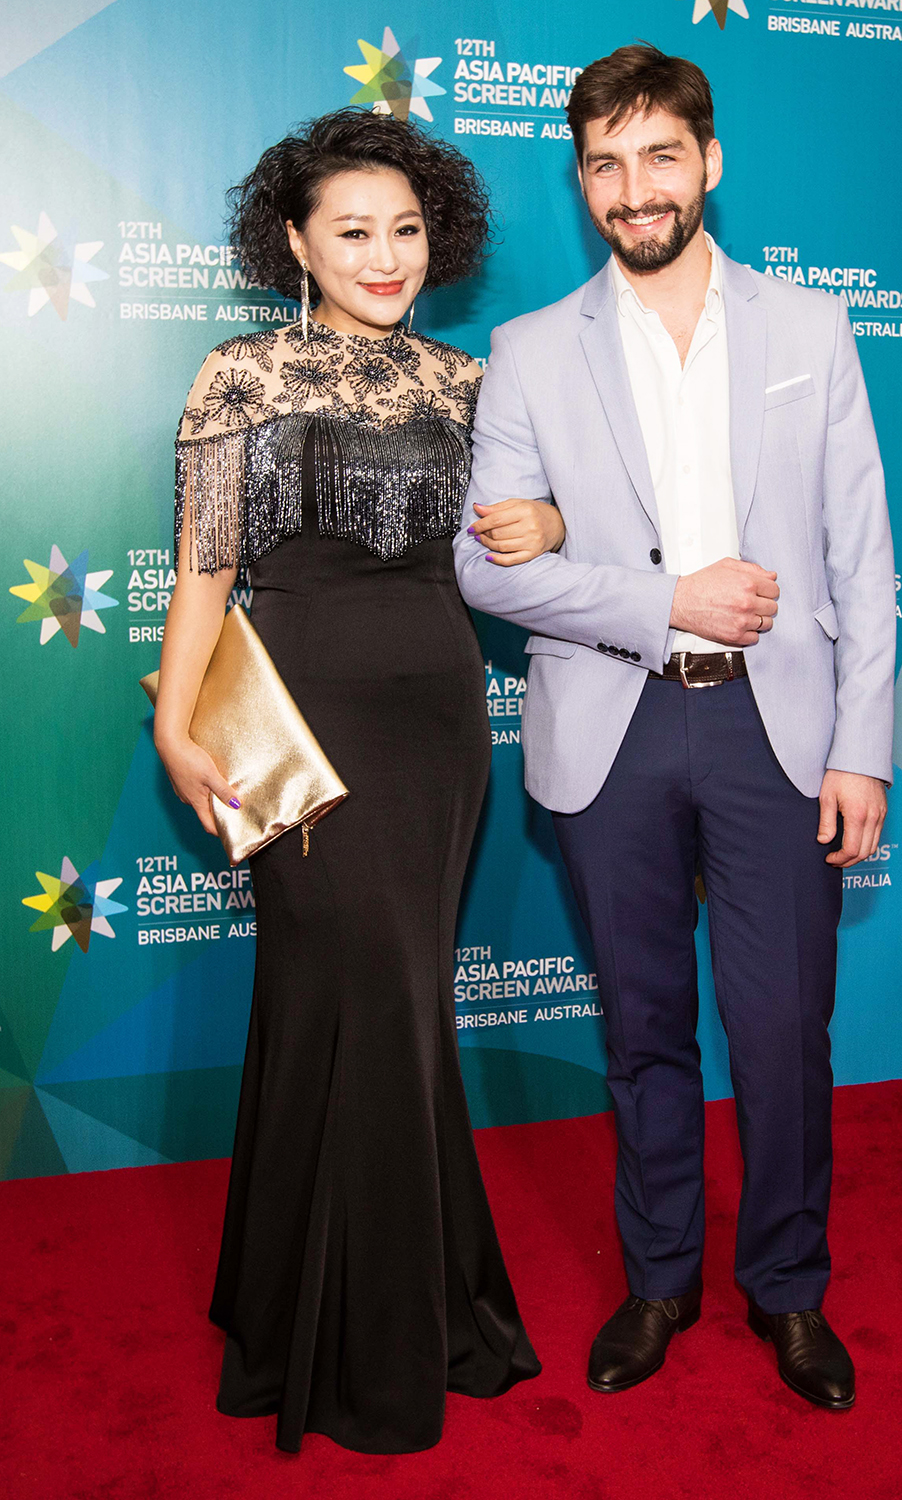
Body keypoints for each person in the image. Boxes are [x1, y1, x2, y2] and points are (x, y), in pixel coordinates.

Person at [455, 47, 895, 1412]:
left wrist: (863, 746)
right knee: (644, 1028)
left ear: (710, 162)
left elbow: (860, 556)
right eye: (602, 163)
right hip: (612, 727)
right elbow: (487, 569)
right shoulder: (527, 352)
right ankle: (660, 1281)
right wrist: (667, 600)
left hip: (781, 733)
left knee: (782, 1029)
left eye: (657, 157)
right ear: (580, 180)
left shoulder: (811, 331)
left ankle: (789, 1289)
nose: (631, 190)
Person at [153, 108, 558, 1455]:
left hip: (439, 722)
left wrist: (548, 519)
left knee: (392, 1010)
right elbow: (208, 571)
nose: (385, 256)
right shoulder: (242, 378)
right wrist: (175, 723)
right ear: (295, 242)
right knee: (350, 999)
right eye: (353, 233)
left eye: (404, 229)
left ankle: (375, 1311)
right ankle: (337, 1334)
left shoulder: (468, 384)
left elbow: (523, 544)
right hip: (303, 727)